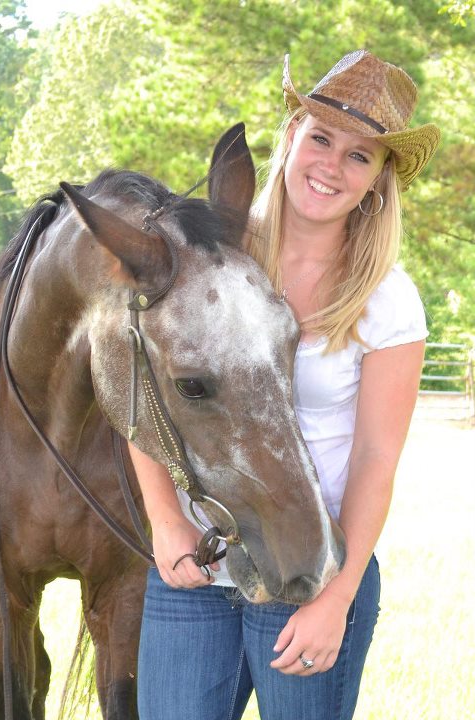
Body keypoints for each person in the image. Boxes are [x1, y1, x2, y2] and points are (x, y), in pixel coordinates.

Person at [131, 50, 441, 720]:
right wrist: (163, 520)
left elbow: (373, 458)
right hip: (196, 567)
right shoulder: (206, 254)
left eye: (359, 156)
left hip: (310, 570)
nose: (331, 165)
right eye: (321, 137)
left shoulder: (387, 301)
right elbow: (142, 396)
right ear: (292, 132)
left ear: (378, 182)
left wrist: (335, 599)